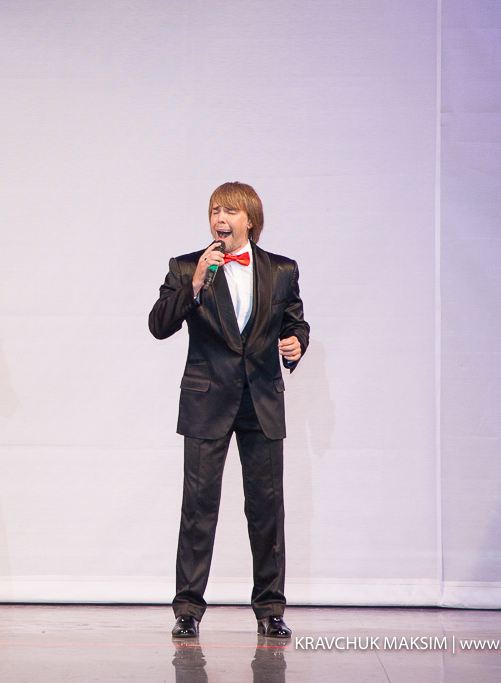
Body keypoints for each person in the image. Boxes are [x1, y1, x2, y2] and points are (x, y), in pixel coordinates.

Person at [149, 182, 309, 640]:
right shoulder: (187, 266)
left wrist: (296, 343)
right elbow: (159, 324)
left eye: (230, 211)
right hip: (207, 401)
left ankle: (270, 609)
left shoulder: (281, 270)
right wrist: (195, 284)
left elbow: (295, 322)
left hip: (261, 400)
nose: (220, 218)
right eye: (215, 211)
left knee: (266, 509)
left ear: (249, 220)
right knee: (198, 508)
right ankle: (187, 610)